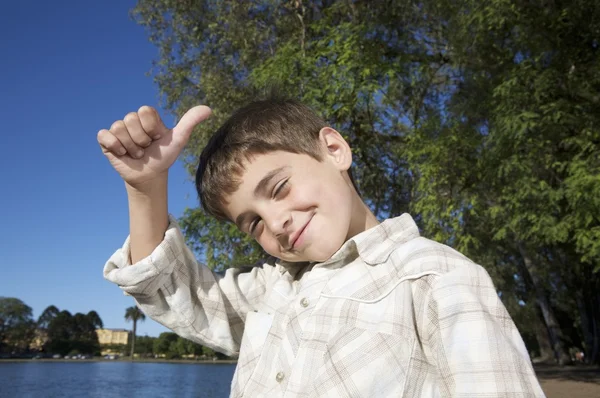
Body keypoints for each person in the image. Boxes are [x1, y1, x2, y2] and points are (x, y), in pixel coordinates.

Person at [98, 97, 546, 397]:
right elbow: (177, 292)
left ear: (333, 149)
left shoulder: (436, 277)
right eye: (252, 222)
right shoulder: (271, 293)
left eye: (279, 188)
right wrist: (145, 188)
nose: (274, 222)